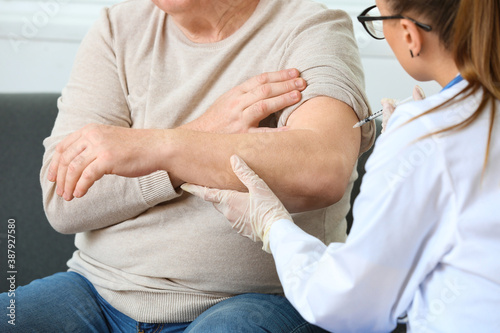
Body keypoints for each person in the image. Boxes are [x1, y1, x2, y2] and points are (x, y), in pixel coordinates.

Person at [0, 0, 375, 332]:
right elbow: (63, 201)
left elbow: (322, 169)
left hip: (253, 300)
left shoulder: (312, 28)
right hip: (99, 290)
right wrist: (202, 133)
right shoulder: (116, 29)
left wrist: (156, 146)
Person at [182, 0, 500, 331]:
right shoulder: (437, 131)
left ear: (409, 35)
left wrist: (273, 226)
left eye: (378, 19)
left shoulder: (428, 135)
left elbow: (350, 304)